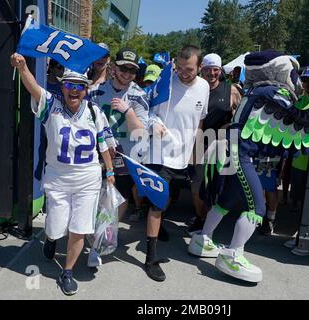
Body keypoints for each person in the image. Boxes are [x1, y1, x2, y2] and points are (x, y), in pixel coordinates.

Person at [188, 51, 309, 283]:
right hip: (241, 155)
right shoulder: (274, 92)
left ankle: (202, 238)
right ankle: (233, 254)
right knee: (257, 207)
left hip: (235, 151)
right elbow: (295, 120)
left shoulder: (256, 91)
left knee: (226, 201)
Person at [10, 53, 116, 296]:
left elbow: (102, 143)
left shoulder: (94, 112)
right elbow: (34, 88)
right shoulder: (51, 106)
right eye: (69, 85)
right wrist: (24, 67)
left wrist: (109, 169)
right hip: (57, 179)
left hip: (87, 178)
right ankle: (51, 238)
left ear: (86, 89)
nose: (74, 90)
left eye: (80, 86)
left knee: (80, 227)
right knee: (56, 225)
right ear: (62, 86)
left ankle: (67, 271)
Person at [144, 45, 210, 282]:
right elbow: (148, 109)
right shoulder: (166, 81)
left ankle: (156, 230)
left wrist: (196, 151)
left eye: (189, 69)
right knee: (158, 204)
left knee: (169, 199)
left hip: (184, 157)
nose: (183, 73)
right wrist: (154, 124)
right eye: (180, 68)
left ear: (199, 67)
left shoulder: (203, 87)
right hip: (161, 154)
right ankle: (150, 258)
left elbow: (199, 122)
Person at [89, 48, 149, 231]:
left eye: (132, 70)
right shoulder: (96, 92)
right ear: (114, 67)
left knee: (120, 196)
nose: (128, 74)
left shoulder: (139, 95)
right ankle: (91, 229)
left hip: (126, 155)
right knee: (94, 194)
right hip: (100, 152)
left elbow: (141, 133)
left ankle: (106, 231)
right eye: (124, 68)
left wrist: (128, 111)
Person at [187, 53, 241, 235]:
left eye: (215, 70)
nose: (212, 73)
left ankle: (210, 224)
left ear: (220, 71)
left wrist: (228, 128)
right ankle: (201, 218)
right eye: (208, 69)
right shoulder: (193, 88)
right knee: (196, 187)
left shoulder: (231, 90)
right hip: (197, 144)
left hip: (221, 146)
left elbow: (240, 118)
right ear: (201, 69)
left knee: (216, 188)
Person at [284, 64, 309, 256]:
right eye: (304, 80)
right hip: (300, 159)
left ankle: (308, 239)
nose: (307, 83)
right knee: (299, 199)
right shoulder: (301, 101)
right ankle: (301, 236)